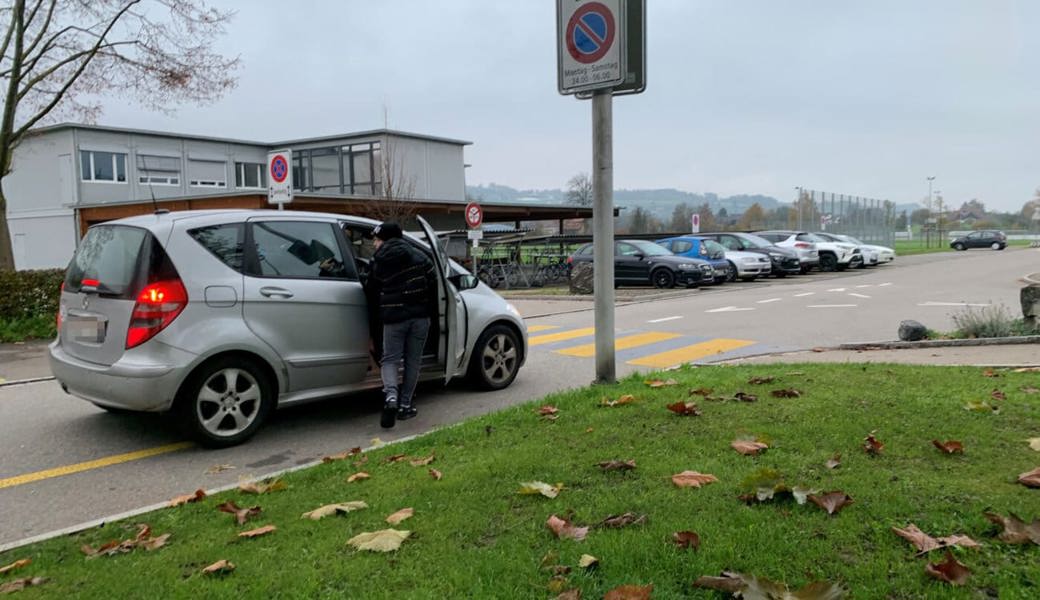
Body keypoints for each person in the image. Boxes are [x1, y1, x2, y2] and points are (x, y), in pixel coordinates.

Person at [367, 222, 438, 428]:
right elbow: (433, 286)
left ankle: (391, 398)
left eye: (377, 239)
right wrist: (430, 315)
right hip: (419, 318)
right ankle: (405, 406)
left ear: (386, 239)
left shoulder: (378, 262)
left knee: (390, 359)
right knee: (412, 361)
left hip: (393, 318)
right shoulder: (421, 257)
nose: (374, 243)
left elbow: (371, 289)